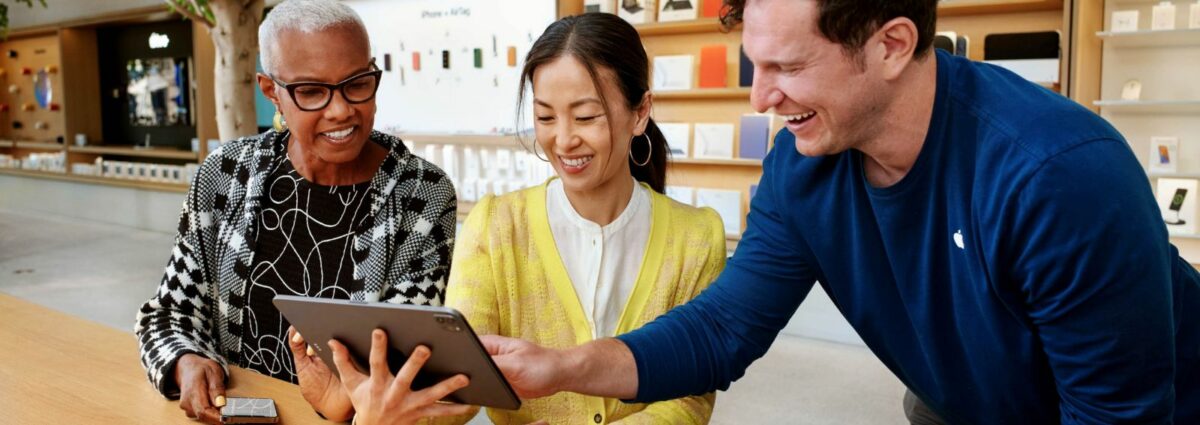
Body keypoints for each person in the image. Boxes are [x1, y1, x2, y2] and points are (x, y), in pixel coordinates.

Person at [479, 1, 1200, 424]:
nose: (760, 98)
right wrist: (563, 366)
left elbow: (1116, 414)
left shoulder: (1059, 176)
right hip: (966, 398)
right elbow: (722, 329)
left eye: (789, 68)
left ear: (891, 46)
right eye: (755, 65)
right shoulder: (803, 167)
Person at [296, 12, 728, 425]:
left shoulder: (696, 236)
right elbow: (460, 382)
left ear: (640, 112)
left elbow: (690, 394)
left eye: (586, 116)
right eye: (545, 117)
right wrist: (367, 399)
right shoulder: (496, 225)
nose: (563, 139)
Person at [134, 1, 461, 423]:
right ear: (271, 91)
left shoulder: (420, 193)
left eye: (358, 83)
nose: (341, 109)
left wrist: (343, 403)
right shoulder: (225, 175)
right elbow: (169, 313)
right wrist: (186, 360)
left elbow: (407, 362)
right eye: (311, 91)